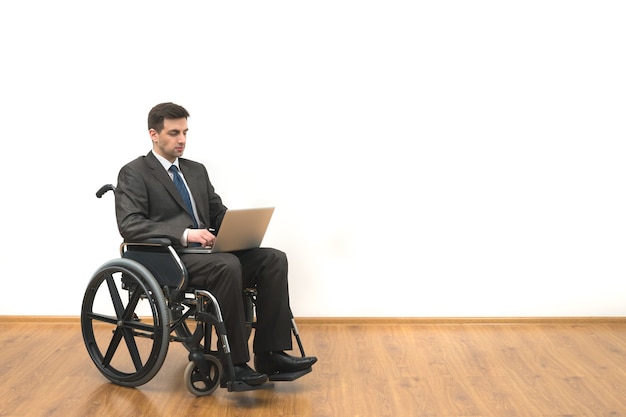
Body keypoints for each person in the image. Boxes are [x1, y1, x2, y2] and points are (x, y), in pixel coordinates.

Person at [115, 102, 317, 386]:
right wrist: (185, 233)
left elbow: (217, 213)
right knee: (227, 265)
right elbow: (131, 224)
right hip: (170, 258)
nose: (182, 139)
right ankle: (234, 364)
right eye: (174, 132)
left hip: (208, 255)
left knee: (273, 259)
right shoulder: (134, 172)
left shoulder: (196, 171)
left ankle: (270, 354)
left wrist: (240, 228)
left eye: (185, 131)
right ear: (154, 134)